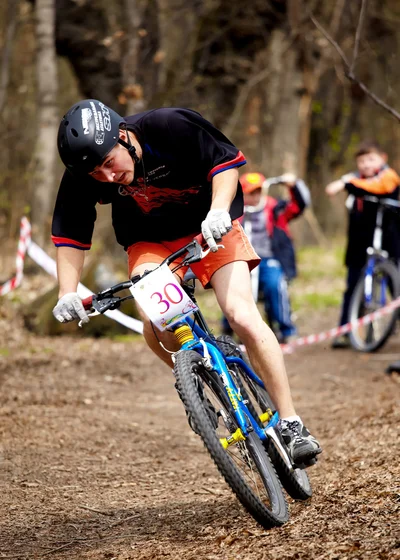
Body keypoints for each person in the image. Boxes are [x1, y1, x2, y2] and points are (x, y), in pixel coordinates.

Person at [51, 99, 321, 466]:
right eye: (97, 174)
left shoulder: (169, 126)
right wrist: (67, 291)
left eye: (109, 163)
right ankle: (193, 378)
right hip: (150, 243)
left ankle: (291, 423)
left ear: (123, 136)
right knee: (155, 323)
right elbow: (71, 234)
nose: (108, 177)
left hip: (208, 228)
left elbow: (225, 164)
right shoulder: (85, 172)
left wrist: (218, 211)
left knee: (241, 314)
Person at [326, 140, 400, 349]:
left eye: (371, 159)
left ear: (382, 159)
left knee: (397, 284)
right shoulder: (354, 179)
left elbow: (381, 188)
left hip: (389, 239)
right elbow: (331, 189)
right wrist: (345, 182)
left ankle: (392, 321)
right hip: (359, 241)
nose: (366, 164)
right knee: (352, 287)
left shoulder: (388, 177)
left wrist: (347, 183)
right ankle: (345, 330)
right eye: (361, 161)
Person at [221, 171, 310, 343]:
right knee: (232, 290)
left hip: (269, 259)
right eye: (250, 192)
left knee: (275, 285)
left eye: (258, 191)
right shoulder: (235, 212)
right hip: (242, 260)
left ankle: (287, 329)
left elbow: (299, 205)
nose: (255, 196)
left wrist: (294, 186)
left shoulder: (275, 208)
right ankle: (228, 329)